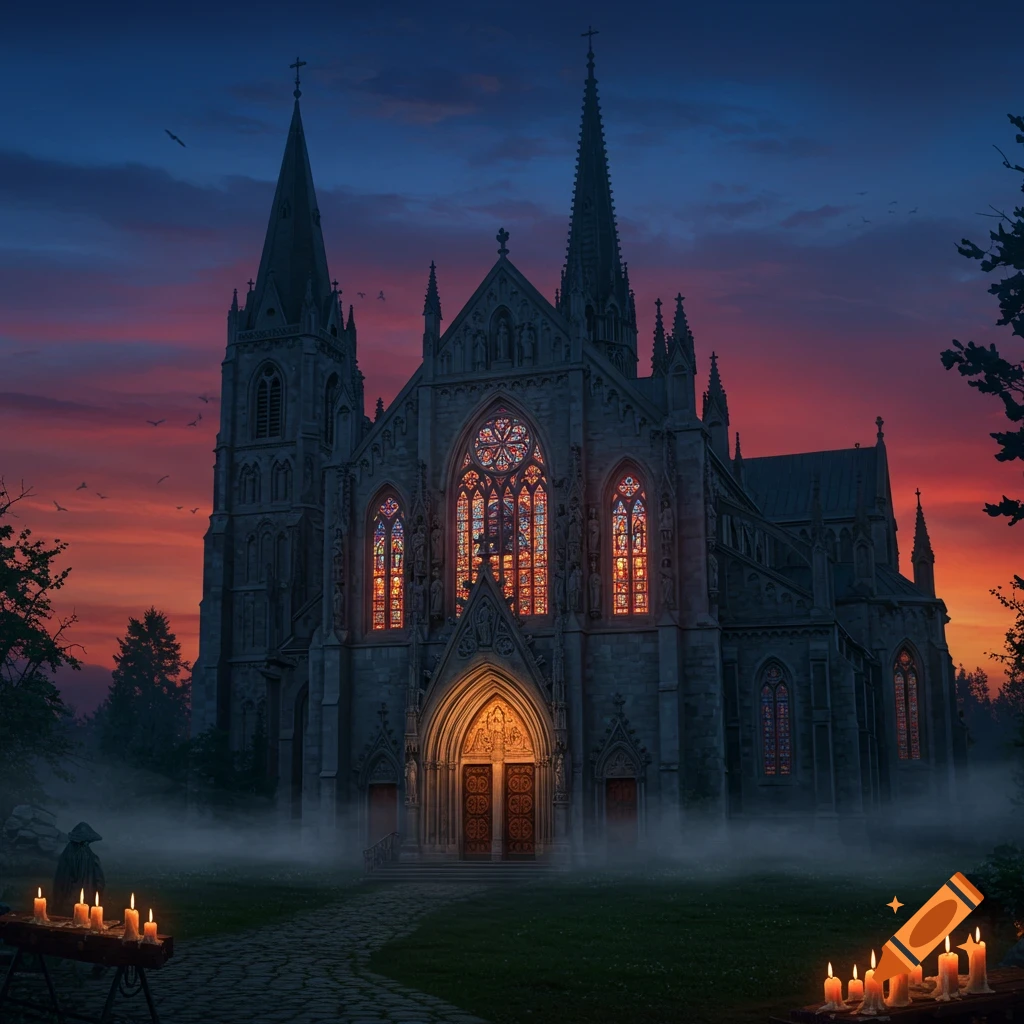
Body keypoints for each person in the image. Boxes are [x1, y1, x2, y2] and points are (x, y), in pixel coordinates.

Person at [52, 822, 105, 917]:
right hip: (71, 898)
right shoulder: (75, 854)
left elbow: (97, 878)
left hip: (83, 895)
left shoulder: (87, 855)